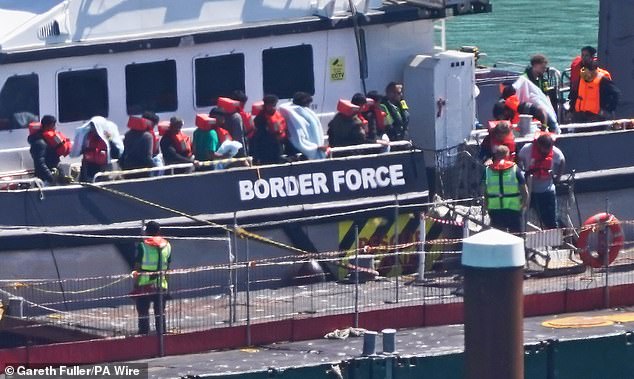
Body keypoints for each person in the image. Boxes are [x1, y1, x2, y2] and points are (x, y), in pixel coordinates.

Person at [517, 133, 565, 230]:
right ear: (538, 145)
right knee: (521, 215)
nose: (546, 151)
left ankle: (555, 241)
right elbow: (518, 160)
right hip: (529, 190)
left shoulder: (555, 152)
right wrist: (522, 173)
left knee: (550, 220)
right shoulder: (527, 149)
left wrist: (558, 177)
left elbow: (562, 161)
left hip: (546, 191)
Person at [131, 221, 172, 335]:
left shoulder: (143, 246)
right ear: (159, 231)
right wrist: (167, 283)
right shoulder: (167, 245)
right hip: (160, 283)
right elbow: (167, 266)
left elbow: (138, 265)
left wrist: (136, 282)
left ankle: (144, 333)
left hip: (144, 283)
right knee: (160, 311)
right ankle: (162, 333)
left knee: (143, 310)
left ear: (147, 232)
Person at [483, 145, 528, 234]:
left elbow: (485, 191)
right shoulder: (515, 169)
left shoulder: (488, 170)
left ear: (496, 155)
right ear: (508, 155)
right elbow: (525, 191)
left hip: (495, 209)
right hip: (513, 208)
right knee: (516, 236)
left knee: (498, 237)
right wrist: (523, 204)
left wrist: (486, 206)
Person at [71, 116, 123, 182]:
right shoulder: (87, 137)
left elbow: (116, 154)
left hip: (103, 170)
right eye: (92, 126)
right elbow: (81, 150)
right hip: (88, 169)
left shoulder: (107, 140)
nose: (93, 129)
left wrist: (110, 140)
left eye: (94, 126)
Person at [279, 91, 329, 160]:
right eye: (308, 103)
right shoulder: (294, 118)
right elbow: (299, 140)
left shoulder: (298, 113)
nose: (308, 106)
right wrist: (316, 148)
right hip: (299, 153)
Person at [28, 115, 71, 185]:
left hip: (54, 172)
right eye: (54, 125)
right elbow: (40, 163)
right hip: (46, 179)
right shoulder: (39, 143)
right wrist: (51, 177)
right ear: (49, 125)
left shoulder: (50, 139)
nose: (55, 127)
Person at [250, 95, 287, 165]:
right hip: (265, 151)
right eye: (270, 105)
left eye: (274, 105)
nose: (273, 108)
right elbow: (257, 138)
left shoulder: (278, 115)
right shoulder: (260, 119)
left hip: (278, 149)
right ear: (266, 105)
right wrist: (256, 156)